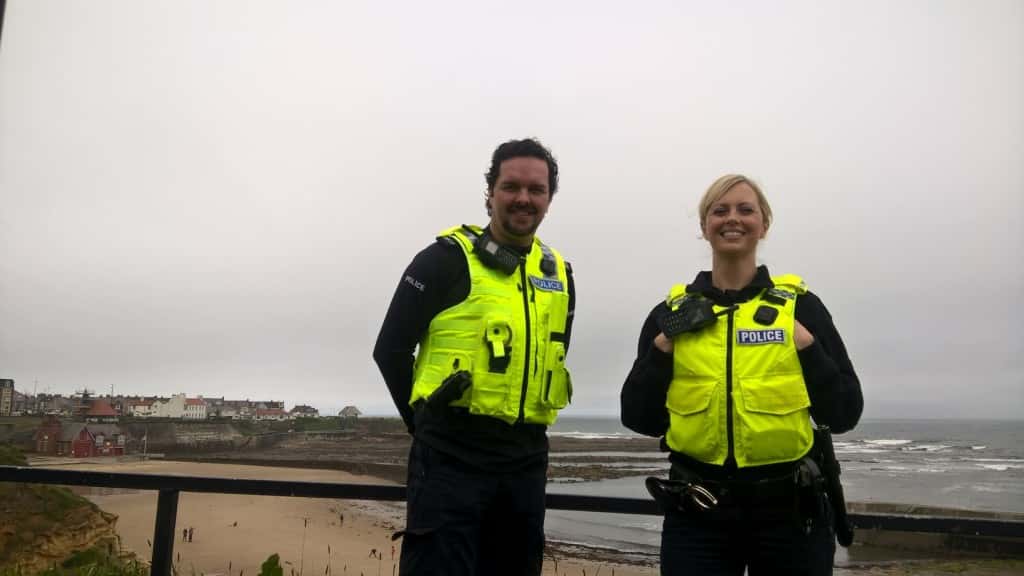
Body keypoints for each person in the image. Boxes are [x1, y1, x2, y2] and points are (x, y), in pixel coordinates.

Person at [620, 174, 863, 575]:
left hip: (791, 517)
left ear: (763, 224)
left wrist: (806, 345)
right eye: (720, 210)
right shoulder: (672, 314)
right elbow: (638, 417)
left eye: (745, 209)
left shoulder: (802, 308)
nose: (733, 218)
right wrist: (662, 349)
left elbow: (845, 412)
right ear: (704, 227)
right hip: (698, 516)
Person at [374, 138, 575, 576]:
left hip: (525, 463)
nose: (523, 198)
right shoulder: (441, 261)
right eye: (511, 186)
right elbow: (389, 349)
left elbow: (553, 355)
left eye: (536, 190)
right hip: (449, 458)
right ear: (490, 193)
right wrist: (423, 423)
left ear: (549, 200)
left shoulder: (558, 273)